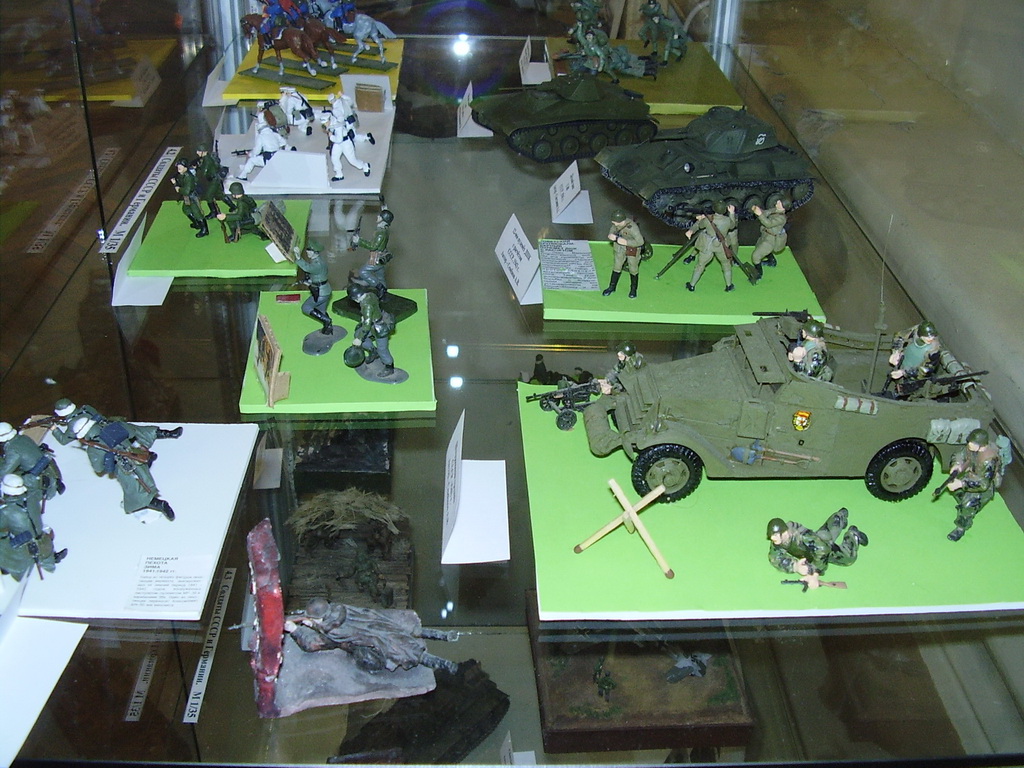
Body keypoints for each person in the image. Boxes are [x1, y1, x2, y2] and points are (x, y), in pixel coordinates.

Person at [59, 413, 182, 521]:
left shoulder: (93, 448)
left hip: (125, 467)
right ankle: (150, 459)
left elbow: (98, 468)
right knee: (143, 476)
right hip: (135, 455)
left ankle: (159, 505)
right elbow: (131, 431)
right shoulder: (111, 427)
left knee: (136, 494)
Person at [285, 597, 459, 674]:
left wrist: (295, 630)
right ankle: (443, 638)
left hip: (374, 647)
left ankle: (443, 662)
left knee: (406, 651)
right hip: (379, 627)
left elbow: (313, 643)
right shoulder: (342, 609)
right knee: (407, 635)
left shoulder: (335, 633)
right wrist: (314, 624)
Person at [766, 508, 867, 589]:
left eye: (776, 535)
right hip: (813, 546)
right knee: (823, 535)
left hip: (820, 550)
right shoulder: (779, 540)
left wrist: (815, 573)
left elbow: (823, 550)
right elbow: (774, 557)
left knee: (848, 559)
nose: (773, 539)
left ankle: (852, 536)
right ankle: (838, 518)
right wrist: (795, 566)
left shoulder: (801, 536)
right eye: (772, 536)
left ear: (784, 532)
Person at [941, 428, 1007, 542]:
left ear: (981, 445)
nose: (969, 445)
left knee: (968, 507)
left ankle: (961, 528)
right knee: (957, 492)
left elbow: (983, 484)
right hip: (970, 478)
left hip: (982, 487)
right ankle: (964, 501)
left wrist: (961, 483)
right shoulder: (972, 448)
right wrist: (957, 464)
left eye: (973, 443)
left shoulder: (989, 460)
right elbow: (960, 454)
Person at [0, 473, 66, 580]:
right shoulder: (32, 497)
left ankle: (8, 568)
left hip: (24, 549)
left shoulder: (5, 511)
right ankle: (52, 561)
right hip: (44, 541)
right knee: (48, 559)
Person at [0, 421, 64, 500]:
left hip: (37, 480)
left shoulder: (13, 449)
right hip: (47, 471)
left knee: (9, 480)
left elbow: (4, 471)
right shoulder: (23, 437)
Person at [684, 202, 737, 292]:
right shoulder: (727, 220)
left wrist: (701, 219)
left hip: (708, 246)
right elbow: (733, 225)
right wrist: (732, 213)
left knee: (700, 265)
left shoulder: (708, 220)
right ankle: (729, 285)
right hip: (721, 246)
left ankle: (692, 285)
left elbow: (700, 225)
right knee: (726, 264)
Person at [349, 283, 396, 377]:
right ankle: (373, 351)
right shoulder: (371, 295)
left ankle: (389, 366)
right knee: (358, 334)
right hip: (374, 323)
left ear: (355, 298)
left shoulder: (366, 305)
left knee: (382, 349)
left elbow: (366, 326)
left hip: (380, 327)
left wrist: (359, 339)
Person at [888, 320, 942, 397]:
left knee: (911, 390)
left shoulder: (934, 350)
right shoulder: (915, 331)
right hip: (904, 361)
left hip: (915, 375)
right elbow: (900, 336)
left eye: (933, 336)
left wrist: (904, 372)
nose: (931, 338)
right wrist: (896, 352)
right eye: (928, 336)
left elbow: (925, 370)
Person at [602, 210, 645, 299]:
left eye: (615, 222)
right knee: (617, 267)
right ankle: (612, 287)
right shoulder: (616, 225)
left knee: (633, 269)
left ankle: (633, 289)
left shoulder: (632, 228)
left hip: (631, 249)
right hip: (619, 248)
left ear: (620, 221)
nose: (614, 224)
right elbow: (612, 230)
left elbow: (640, 241)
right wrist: (611, 236)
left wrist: (626, 242)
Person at [350, 208, 394, 296]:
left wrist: (359, 241)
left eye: (380, 216)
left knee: (363, 272)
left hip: (376, 257)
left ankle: (379, 287)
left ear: (383, 219)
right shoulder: (383, 230)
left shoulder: (381, 233)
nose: (378, 217)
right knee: (380, 277)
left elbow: (373, 246)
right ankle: (384, 293)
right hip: (380, 256)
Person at [294, 240, 334, 335]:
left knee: (306, 307)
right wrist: (309, 282)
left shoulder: (317, 264)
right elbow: (318, 276)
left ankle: (327, 321)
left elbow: (307, 268)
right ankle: (328, 328)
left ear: (315, 252)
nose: (307, 252)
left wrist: (298, 258)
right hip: (324, 290)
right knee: (321, 311)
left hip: (320, 292)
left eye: (309, 250)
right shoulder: (318, 261)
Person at [750, 199, 789, 280]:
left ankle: (758, 273)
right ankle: (772, 261)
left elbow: (769, 224)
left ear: (784, 207)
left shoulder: (781, 218)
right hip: (765, 234)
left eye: (780, 203)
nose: (777, 202)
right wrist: (758, 210)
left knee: (756, 256)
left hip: (772, 239)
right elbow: (766, 212)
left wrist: (760, 214)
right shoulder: (775, 210)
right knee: (759, 247)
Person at [192, 145, 230, 219]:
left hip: (214, 180)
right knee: (220, 194)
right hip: (214, 179)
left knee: (208, 196)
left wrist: (197, 167)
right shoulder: (206, 158)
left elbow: (204, 172)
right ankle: (233, 207)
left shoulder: (207, 160)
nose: (197, 152)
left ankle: (214, 212)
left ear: (204, 152)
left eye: (199, 151)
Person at [172, 160, 208, 237]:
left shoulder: (188, 177)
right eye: (178, 167)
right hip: (187, 197)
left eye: (180, 167)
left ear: (185, 168)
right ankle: (196, 223)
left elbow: (186, 191)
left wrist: (177, 188)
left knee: (198, 213)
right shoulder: (181, 175)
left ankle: (205, 230)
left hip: (192, 197)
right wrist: (176, 183)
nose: (179, 168)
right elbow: (182, 184)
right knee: (186, 210)